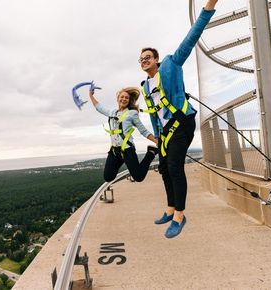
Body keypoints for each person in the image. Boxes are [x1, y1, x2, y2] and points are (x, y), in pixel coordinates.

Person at [138, 0, 218, 238]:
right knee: (163, 168)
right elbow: (154, 114)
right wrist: (158, 136)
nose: (144, 60)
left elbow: (192, 36)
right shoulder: (145, 86)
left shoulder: (172, 64)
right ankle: (170, 208)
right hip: (165, 131)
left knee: (174, 166)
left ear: (156, 59)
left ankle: (180, 216)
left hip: (182, 122)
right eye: (141, 58)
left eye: (148, 57)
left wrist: (209, 7)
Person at [89, 87, 158, 182]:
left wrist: (157, 141)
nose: (124, 99)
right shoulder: (112, 112)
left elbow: (143, 131)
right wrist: (91, 95)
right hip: (114, 151)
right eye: (122, 97)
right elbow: (99, 107)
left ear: (129, 101)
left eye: (127, 98)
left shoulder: (132, 113)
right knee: (108, 177)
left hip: (127, 149)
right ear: (118, 99)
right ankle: (122, 160)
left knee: (138, 177)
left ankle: (151, 152)